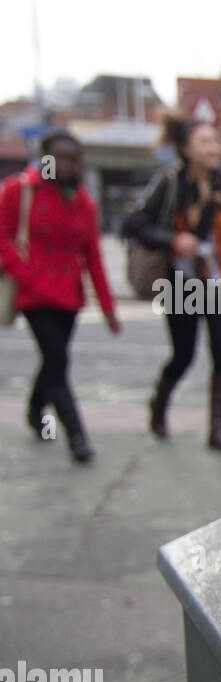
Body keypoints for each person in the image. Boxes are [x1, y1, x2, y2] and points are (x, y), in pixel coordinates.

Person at [125, 113, 221, 453]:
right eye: (204, 141)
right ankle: (159, 405)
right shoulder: (169, 183)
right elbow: (134, 223)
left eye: (215, 140)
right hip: (181, 285)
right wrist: (172, 240)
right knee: (183, 355)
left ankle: (218, 430)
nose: (213, 147)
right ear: (186, 148)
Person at [0, 130, 119, 464]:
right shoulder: (20, 190)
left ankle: (35, 408)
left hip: (68, 296)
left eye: (73, 159)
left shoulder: (83, 201)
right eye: (59, 157)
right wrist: (26, 274)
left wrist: (108, 307)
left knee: (54, 359)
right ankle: (76, 435)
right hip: (34, 295)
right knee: (57, 361)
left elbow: (92, 255)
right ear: (45, 158)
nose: (66, 165)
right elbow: (3, 237)